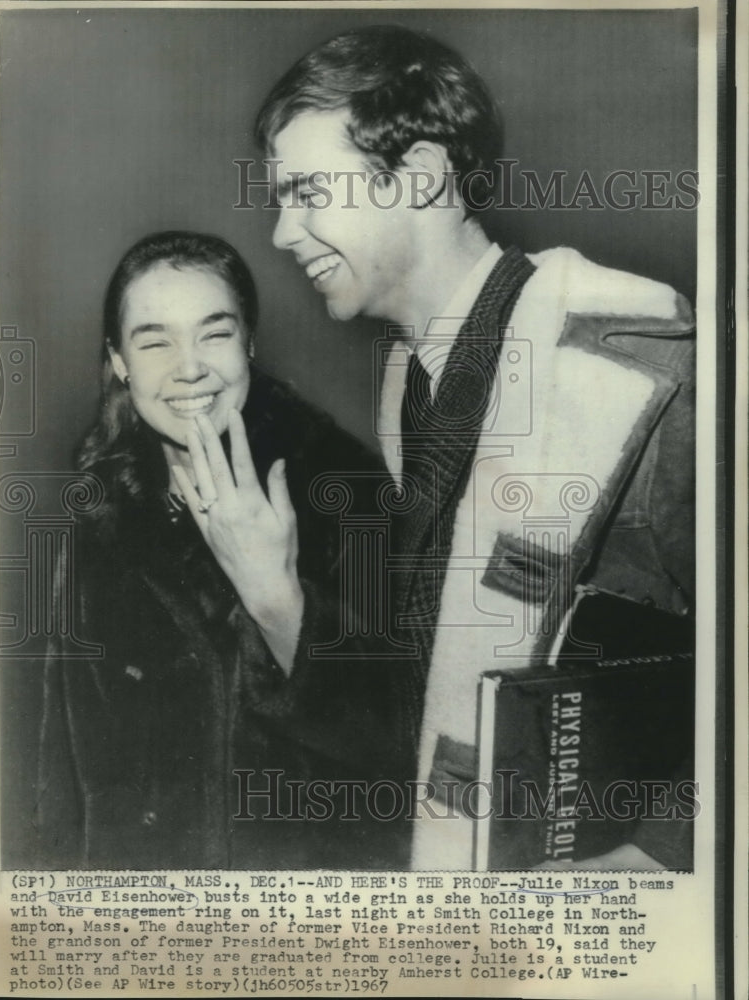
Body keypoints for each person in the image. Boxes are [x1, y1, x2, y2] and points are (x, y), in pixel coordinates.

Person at [255, 25, 695, 870]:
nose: (282, 231)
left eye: (308, 190)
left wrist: (666, 847)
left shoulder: (638, 363)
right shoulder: (408, 385)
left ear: (420, 179)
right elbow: (429, 688)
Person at [34, 230, 419, 870]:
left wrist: (277, 598)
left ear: (249, 344)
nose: (189, 367)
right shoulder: (100, 509)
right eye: (154, 341)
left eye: (214, 333)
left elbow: (406, 752)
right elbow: (62, 762)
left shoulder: (353, 493)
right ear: (120, 362)